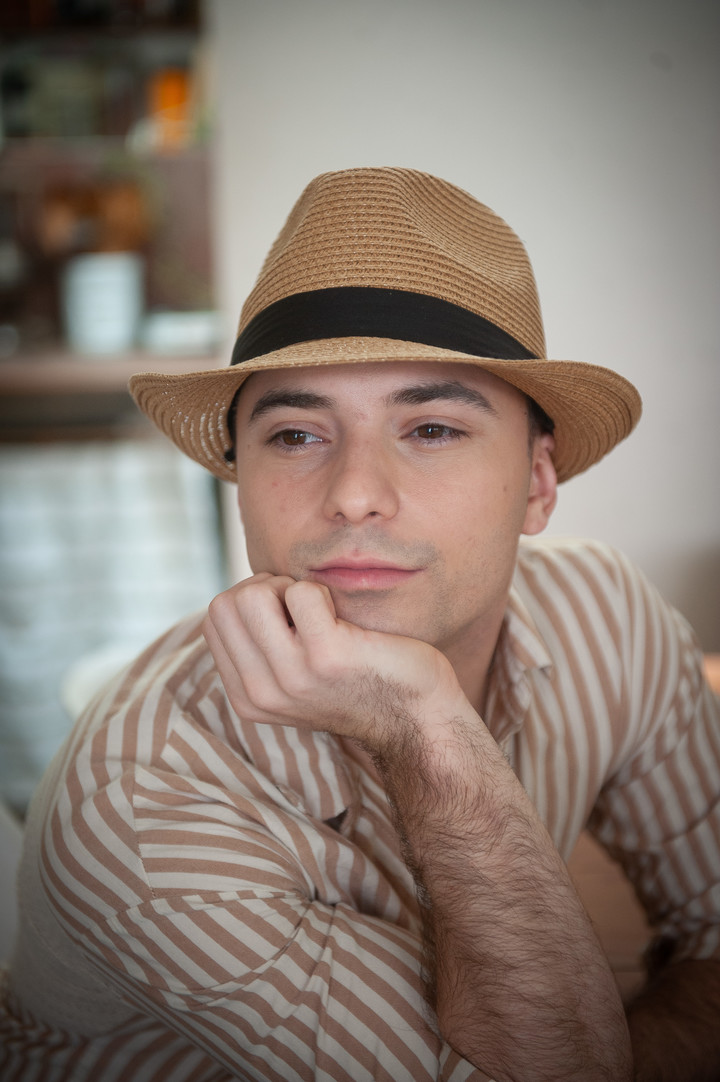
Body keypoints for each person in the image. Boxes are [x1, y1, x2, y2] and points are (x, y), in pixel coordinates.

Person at [1, 167, 718, 1082]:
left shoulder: (604, 614)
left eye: (431, 430)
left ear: (538, 483)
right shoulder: (143, 801)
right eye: (297, 435)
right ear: (240, 481)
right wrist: (426, 725)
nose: (353, 497)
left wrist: (617, 1053)